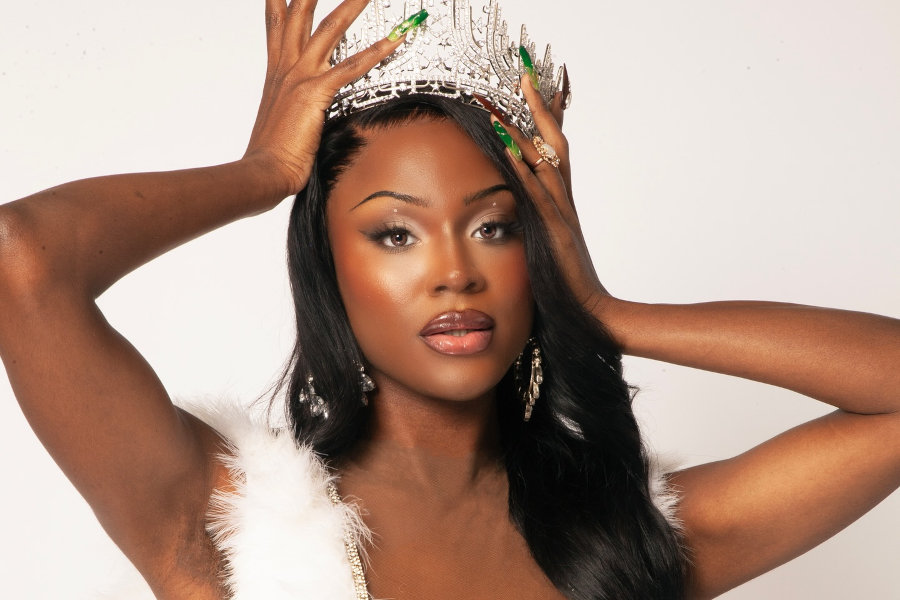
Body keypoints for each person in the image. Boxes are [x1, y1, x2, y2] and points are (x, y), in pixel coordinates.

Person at [1, 0, 897, 598]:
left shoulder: (629, 536)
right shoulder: (228, 518)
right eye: (396, 234)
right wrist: (265, 172)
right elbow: (24, 259)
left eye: (495, 227)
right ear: (329, 265)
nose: (455, 272)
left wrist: (606, 313)